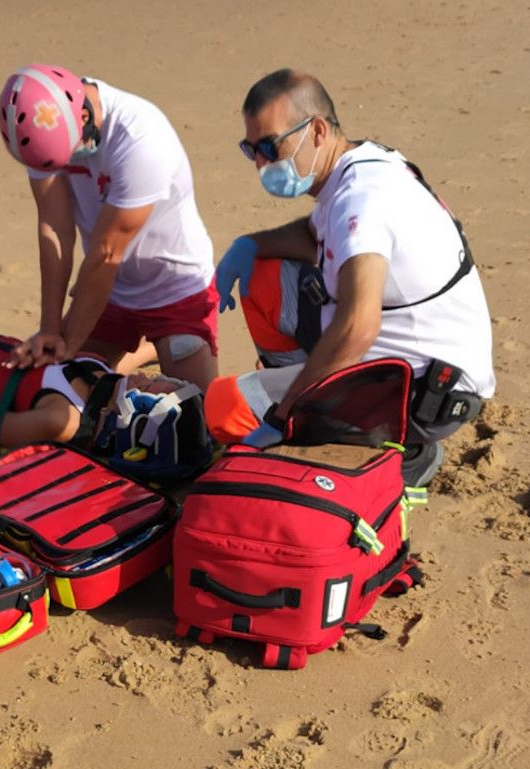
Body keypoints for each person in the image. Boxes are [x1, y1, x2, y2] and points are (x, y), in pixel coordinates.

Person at [209, 69, 496, 486]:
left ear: (318, 131)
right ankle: (318, 422)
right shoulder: (359, 164)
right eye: (250, 149)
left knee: (223, 406)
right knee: (263, 275)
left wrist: (286, 411)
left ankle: (387, 450)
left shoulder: (361, 198)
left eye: (270, 146)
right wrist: (248, 246)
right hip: (425, 363)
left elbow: (360, 326)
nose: (260, 162)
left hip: (425, 391)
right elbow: (313, 235)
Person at [0, 64, 219, 390]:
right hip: (109, 293)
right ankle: (144, 351)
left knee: (199, 412)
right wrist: (50, 328)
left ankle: (158, 343)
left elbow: (107, 253)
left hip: (174, 288)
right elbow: (54, 228)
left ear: (83, 119)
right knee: (62, 386)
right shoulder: (41, 138)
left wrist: (69, 344)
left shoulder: (140, 137)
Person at [0, 324, 191, 451]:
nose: (145, 378)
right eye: (155, 378)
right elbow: (147, 349)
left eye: (150, 388)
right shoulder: (106, 375)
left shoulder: (62, 419)